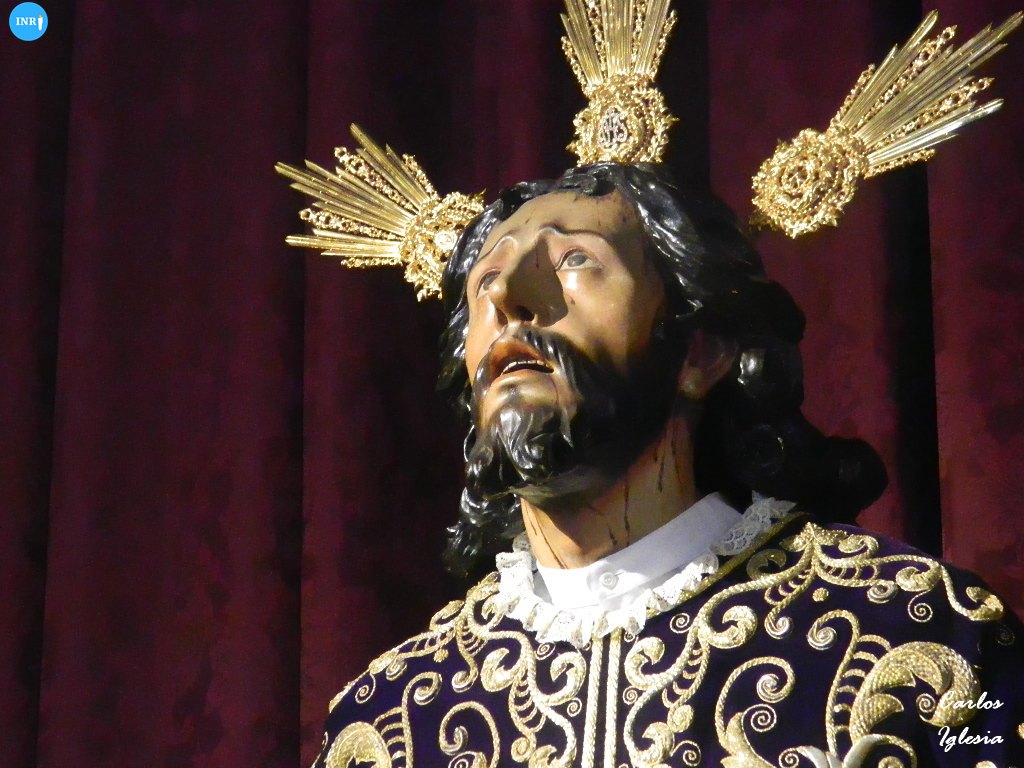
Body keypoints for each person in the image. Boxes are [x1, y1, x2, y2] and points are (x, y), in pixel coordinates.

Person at [310, 164, 1024, 768]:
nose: (504, 297)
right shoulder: (388, 723)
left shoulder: (916, 633)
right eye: (487, 276)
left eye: (574, 260)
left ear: (699, 352)